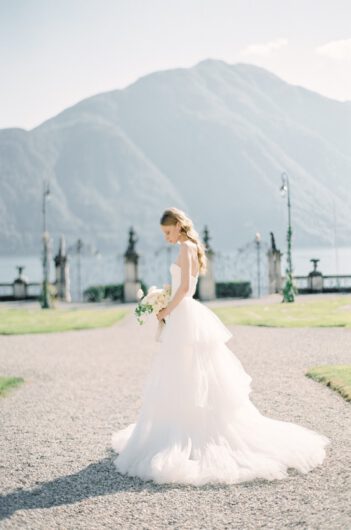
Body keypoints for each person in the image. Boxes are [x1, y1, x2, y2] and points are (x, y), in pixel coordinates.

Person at [111, 207, 330, 486]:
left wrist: (165, 309)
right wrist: (164, 298)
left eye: (167, 232)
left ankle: (191, 432)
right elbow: (182, 287)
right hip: (185, 313)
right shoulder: (188, 247)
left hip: (184, 313)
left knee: (186, 373)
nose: (165, 237)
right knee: (186, 373)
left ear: (178, 226)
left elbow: (184, 290)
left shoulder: (186, 248)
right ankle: (185, 426)